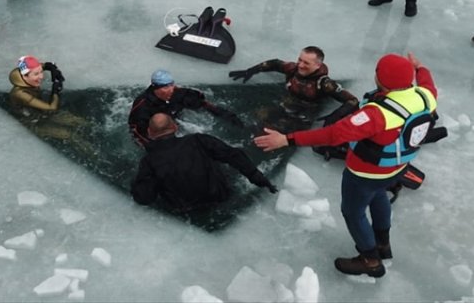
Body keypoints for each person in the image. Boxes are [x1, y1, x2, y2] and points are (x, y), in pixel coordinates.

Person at [254, 52, 439, 278]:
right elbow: (427, 81)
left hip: (364, 173)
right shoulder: (425, 96)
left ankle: (370, 260)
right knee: (379, 195)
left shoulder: (376, 115)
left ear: (380, 79)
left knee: (353, 213)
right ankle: (382, 244)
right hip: (397, 168)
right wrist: (419, 68)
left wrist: (287, 139)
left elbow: (334, 135)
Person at [131, 113, 277, 213]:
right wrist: (258, 178)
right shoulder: (199, 140)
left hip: (184, 210)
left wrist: (137, 182)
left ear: (149, 133)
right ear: (175, 127)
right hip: (220, 197)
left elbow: (144, 198)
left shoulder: (149, 161)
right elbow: (234, 155)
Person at [128, 69, 243, 147]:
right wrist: (155, 150)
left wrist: (228, 116)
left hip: (174, 122)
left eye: (171, 85)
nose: (171, 90)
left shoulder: (178, 94)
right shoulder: (142, 106)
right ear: (155, 88)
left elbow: (203, 104)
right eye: (165, 87)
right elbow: (137, 132)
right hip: (157, 132)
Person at [228, 46, 359, 112]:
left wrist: (333, 117)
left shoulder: (324, 84)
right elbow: (274, 63)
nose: (300, 65)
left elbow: (352, 101)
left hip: (304, 112)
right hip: (285, 101)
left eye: (306, 63)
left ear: (318, 65)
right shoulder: (292, 68)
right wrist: (251, 71)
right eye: (300, 60)